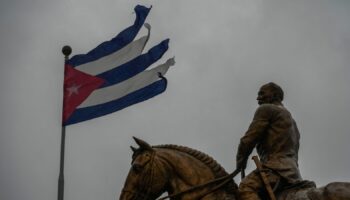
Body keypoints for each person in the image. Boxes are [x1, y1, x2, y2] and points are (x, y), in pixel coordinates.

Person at [236, 82, 303, 200]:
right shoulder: (293, 122)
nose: (258, 98)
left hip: (275, 169)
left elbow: (248, 141)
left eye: (262, 93)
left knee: (245, 188)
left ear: (275, 95)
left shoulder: (266, 109)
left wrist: (241, 162)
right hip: (293, 173)